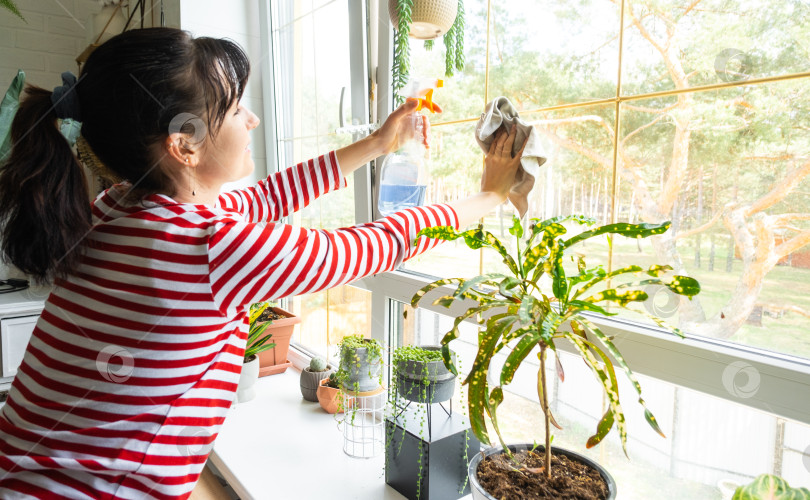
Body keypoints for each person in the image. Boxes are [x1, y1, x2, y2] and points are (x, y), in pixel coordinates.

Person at [0, 27, 523, 499]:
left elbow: (267, 197)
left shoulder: (118, 207)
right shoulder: (206, 247)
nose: (251, 119)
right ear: (184, 145)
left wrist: (378, 144)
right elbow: (375, 243)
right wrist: (491, 196)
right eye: (234, 110)